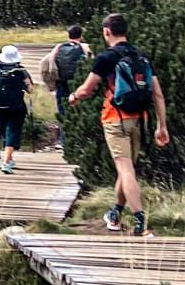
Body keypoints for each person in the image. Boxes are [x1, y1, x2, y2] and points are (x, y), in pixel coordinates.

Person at [67, 12, 169, 236]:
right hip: (139, 119)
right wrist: (162, 126)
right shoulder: (140, 55)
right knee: (126, 171)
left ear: (106, 31)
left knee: (125, 170)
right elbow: (158, 95)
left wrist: (73, 97)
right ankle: (114, 215)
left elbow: (86, 89)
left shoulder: (106, 57)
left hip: (115, 118)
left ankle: (140, 222)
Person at [38, 24, 90, 145]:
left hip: (62, 84)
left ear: (68, 35)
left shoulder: (59, 47)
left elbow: (44, 63)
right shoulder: (84, 47)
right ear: (81, 35)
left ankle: (64, 141)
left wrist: (51, 82)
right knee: (80, 111)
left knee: (63, 112)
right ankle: (81, 141)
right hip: (79, 84)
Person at [0, 43, 33, 175]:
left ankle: (9, 158)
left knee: (4, 131)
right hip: (16, 106)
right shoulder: (21, 71)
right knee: (12, 131)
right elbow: (30, 89)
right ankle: (6, 162)